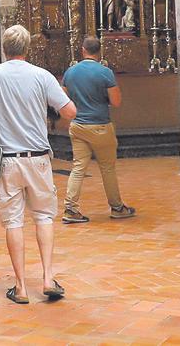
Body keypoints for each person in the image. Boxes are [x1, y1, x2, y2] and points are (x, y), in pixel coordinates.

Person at [0, 25, 77, 304]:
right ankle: (48, 278)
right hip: (38, 158)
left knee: (13, 221)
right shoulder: (42, 76)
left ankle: (20, 287)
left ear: (4, 48)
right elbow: (70, 111)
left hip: (6, 161)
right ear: (28, 48)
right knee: (43, 216)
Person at [60, 36, 136, 224]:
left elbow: (63, 100)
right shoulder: (105, 73)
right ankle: (117, 207)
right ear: (98, 51)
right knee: (107, 168)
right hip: (100, 125)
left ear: (83, 50)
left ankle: (70, 208)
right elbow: (116, 101)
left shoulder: (70, 72)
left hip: (78, 125)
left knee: (78, 167)